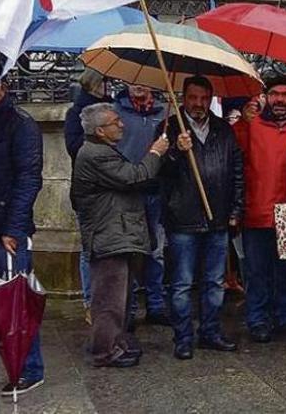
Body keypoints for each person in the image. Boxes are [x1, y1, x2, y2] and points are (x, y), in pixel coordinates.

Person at [71, 102, 176, 367]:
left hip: (118, 233)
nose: (122, 124)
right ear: (100, 130)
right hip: (109, 235)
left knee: (121, 297)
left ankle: (115, 342)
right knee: (109, 301)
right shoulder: (95, 154)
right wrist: (155, 152)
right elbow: (135, 176)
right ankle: (104, 351)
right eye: (115, 122)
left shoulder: (104, 150)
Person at [161, 76, 243, 360]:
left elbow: (236, 171)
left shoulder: (223, 129)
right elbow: (157, 173)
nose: (198, 104)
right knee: (182, 283)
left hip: (217, 217)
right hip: (183, 218)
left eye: (204, 99)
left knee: (214, 282)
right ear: (184, 98)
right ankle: (183, 337)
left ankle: (210, 331)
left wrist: (235, 210)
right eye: (193, 98)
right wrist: (175, 152)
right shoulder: (171, 127)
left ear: (210, 99)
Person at [233, 77, 286, 342]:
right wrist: (242, 121)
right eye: (274, 94)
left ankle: (284, 316)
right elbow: (234, 149)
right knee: (256, 271)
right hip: (256, 210)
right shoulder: (251, 125)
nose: (280, 99)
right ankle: (258, 318)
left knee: (285, 272)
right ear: (266, 97)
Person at [0, 72, 45, 395]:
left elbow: (29, 179)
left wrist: (13, 228)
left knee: (15, 302)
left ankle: (28, 368)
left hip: (7, 230)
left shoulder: (21, 124)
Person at [113, 84, 169, 326]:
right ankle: (131, 307)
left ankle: (156, 303)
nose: (138, 86)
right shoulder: (116, 112)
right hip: (128, 191)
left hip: (155, 190)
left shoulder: (164, 112)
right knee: (130, 251)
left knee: (156, 252)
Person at [64, 69, 112, 325]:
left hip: (110, 192)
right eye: (106, 81)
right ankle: (90, 301)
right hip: (88, 193)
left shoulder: (112, 110)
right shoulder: (76, 113)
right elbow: (73, 147)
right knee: (88, 249)